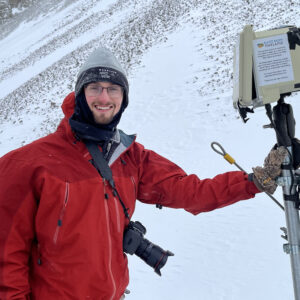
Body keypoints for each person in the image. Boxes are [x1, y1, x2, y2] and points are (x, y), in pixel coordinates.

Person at [0, 47, 287, 300]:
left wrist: (252, 182)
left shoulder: (129, 156)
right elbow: (6, 255)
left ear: (123, 98)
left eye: (113, 88)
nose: (104, 96)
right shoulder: (28, 164)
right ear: (79, 94)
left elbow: (189, 192)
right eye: (94, 87)